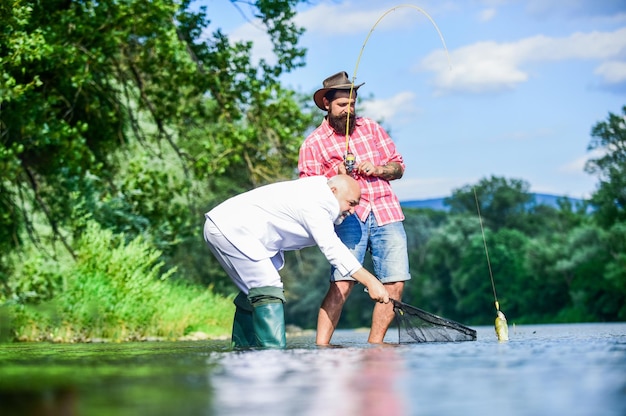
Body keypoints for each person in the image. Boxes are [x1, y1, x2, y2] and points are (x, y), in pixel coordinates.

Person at [203, 174, 390, 349]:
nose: (353, 210)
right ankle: (272, 355)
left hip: (223, 226)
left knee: (252, 291)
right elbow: (331, 247)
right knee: (268, 286)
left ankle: (243, 351)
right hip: (231, 228)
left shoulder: (317, 193)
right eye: (351, 203)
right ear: (333, 192)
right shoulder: (318, 200)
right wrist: (370, 281)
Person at [298, 71, 411, 345]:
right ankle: (321, 346)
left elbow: (398, 166)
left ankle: (376, 347)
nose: (348, 111)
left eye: (352, 104)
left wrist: (380, 169)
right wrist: (333, 177)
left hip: (386, 212)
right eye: (341, 105)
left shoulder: (371, 128)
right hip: (348, 218)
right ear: (327, 104)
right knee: (343, 283)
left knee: (394, 283)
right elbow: (306, 190)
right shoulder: (313, 144)